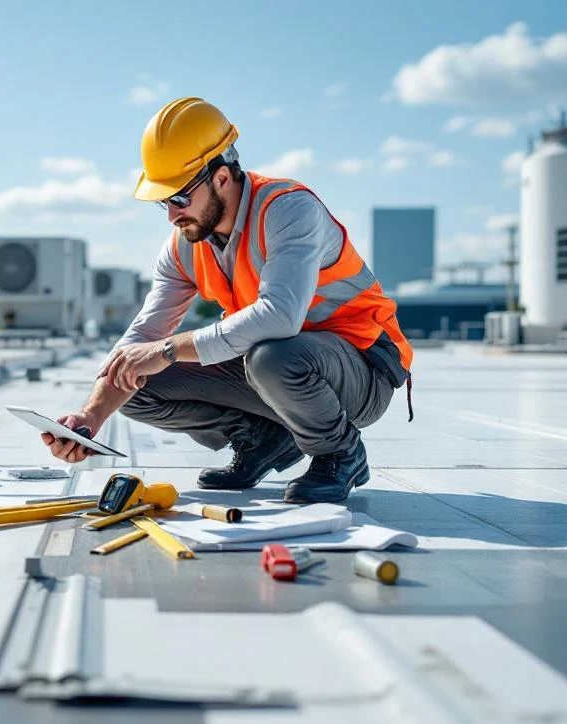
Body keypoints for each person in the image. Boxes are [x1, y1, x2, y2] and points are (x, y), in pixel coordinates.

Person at [42, 97, 413, 504]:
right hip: (278, 370)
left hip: (361, 369)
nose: (171, 215)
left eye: (179, 198)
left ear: (220, 178)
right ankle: (262, 439)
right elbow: (144, 334)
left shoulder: (288, 209)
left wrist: (168, 350)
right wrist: (91, 415)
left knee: (271, 356)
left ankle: (340, 453)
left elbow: (280, 317)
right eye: (162, 202)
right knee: (133, 379)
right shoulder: (186, 244)